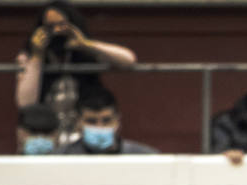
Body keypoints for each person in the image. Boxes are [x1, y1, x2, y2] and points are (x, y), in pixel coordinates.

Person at [14, 1, 136, 147]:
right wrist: (37, 56)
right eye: (50, 26)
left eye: (62, 25)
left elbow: (128, 60)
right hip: (47, 133)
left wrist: (85, 44)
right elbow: (25, 103)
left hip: (84, 132)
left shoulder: (85, 51)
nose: (57, 31)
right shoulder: (30, 56)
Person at [58, 88, 157, 154]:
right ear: (78, 122)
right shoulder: (59, 158)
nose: (100, 127)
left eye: (106, 121)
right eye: (91, 121)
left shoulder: (144, 157)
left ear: (117, 120)